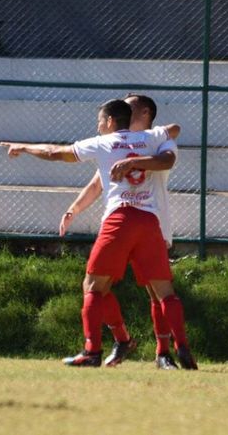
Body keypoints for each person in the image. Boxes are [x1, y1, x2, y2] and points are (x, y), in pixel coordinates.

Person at [2, 99, 198, 369]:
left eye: (99, 121)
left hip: (119, 219)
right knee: (165, 292)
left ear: (108, 122)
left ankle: (92, 350)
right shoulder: (152, 137)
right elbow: (173, 131)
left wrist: (23, 147)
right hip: (150, 220)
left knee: (92, 286)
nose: (97, 125)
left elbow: (54, 152)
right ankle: (182, 348)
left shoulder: (103, 143)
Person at [59, 94, 181, 370]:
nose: (126, 105)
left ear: (146, 112)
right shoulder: (114, 145)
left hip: (153, 222)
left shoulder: (155, 139)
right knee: (100, 286)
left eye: (132, 103)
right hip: (119, 222)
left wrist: (133, 161)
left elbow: (170, 143)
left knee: (155, 291)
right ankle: (121, 340)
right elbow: (97, 183)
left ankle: (164, 353)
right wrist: (73, 210)